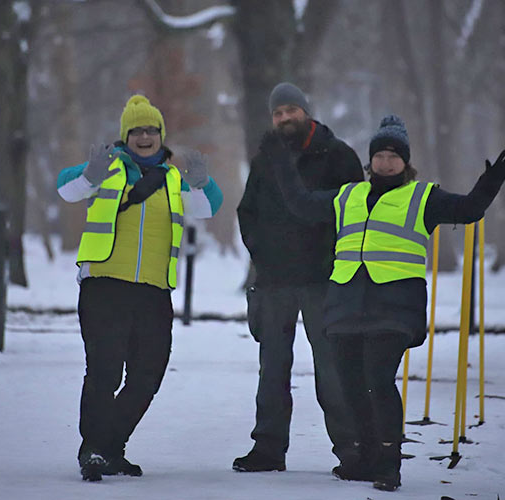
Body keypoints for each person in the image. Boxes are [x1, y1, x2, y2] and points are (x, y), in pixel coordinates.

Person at [265, 114, 505, 491]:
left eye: (393, 156)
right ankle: (367, 459)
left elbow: (468, 210)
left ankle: (389, 463)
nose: (386, 162)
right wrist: (283, 166)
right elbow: (302, 206)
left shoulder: (423, 197)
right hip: (346, 305)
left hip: (394, 308)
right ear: (371, 161)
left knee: (377, 380)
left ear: (406, 162)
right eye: (380, 155)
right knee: (351, 385)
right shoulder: (348, 195)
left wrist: (490, 182)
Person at [57, 95, 223, 481]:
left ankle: (110, 445)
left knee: (148, 375)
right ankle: (95, 451)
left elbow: (206, 207)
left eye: (151, 130)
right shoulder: (108, 170)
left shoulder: (172, 179)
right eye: (137, 131)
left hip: (153, 290)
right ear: (125, 136)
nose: (145, 137)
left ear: (161, 135)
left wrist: (203, 183)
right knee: (104, 371)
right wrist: (88, 176)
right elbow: (66, 189)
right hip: (105, 286)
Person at [234, 82, 364, 473]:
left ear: (305, 111)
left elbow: (354, 210)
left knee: (333, 368)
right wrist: (264, 256)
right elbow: (247, 213)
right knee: (272, 368)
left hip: (324, 279)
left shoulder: (338, 155)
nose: (284, 118)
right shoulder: (265, 159)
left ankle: (352, 449)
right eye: (277, 113)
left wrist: (332, 258)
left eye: (290, 110)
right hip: (274, 281)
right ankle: (268, 449)